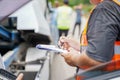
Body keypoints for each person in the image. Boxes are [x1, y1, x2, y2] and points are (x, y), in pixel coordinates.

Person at [59, 0, 120, 79]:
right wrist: (78, 45)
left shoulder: (105, 9)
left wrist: (72, 58)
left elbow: (95, 59)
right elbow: (107, 46)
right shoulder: (115, 6)